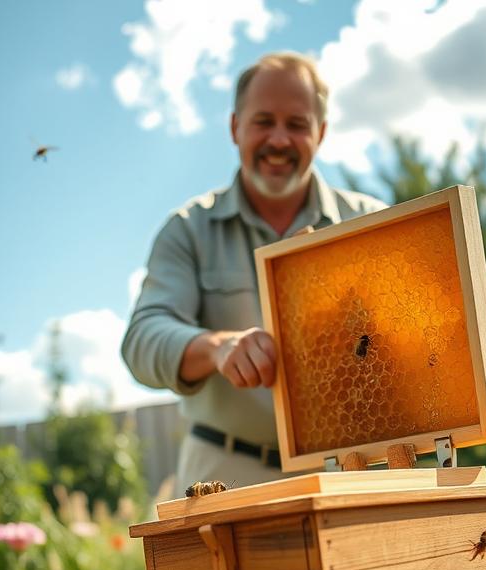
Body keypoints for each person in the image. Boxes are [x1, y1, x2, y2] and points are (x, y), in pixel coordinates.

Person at [121, 51, 387, 497]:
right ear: (234, 128)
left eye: (297, 124)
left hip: (353, 477)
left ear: (320, 133)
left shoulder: (374, 224)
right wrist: (218, 347)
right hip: (224, 480)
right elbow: (143, 338)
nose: (279, 140)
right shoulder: (188, 229)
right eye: (263, 121)